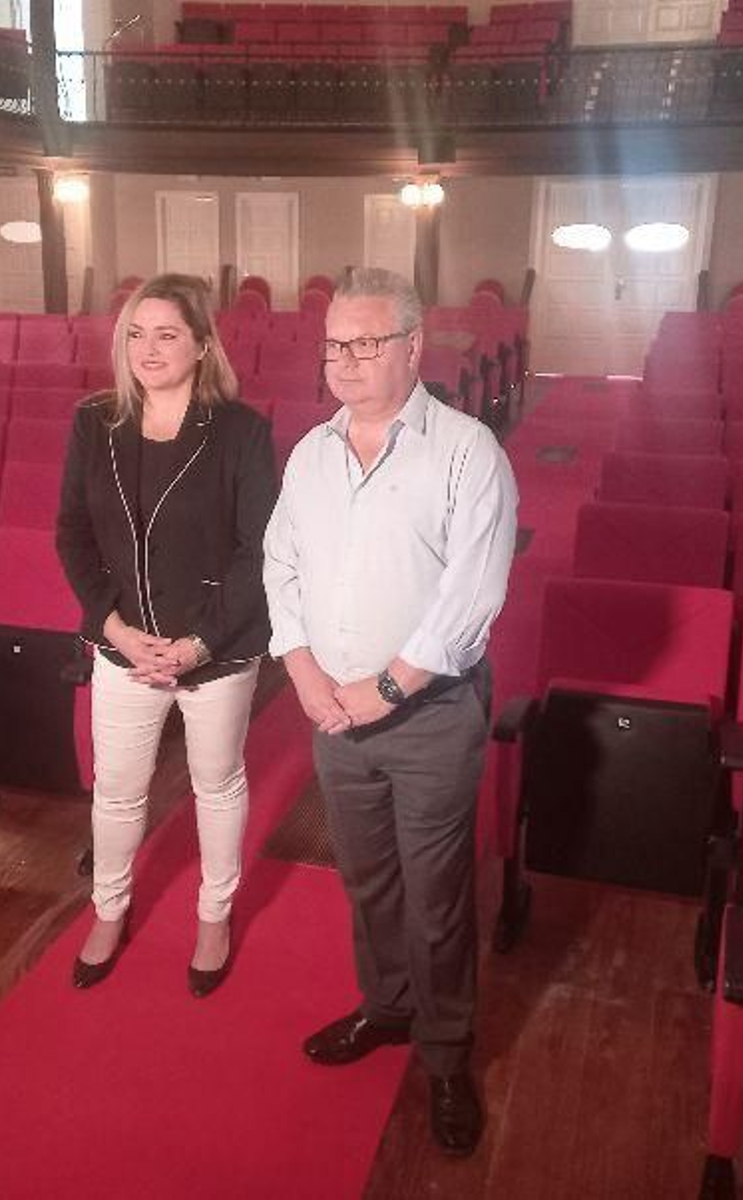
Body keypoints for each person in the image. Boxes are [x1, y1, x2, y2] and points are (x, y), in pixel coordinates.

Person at [263, 268, 518, 1156]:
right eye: (335, 344)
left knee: (437, 894)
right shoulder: (309, 453)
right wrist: (299, 668)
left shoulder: (466, 451)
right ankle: (388, 1008)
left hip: (428, 716)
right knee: (366, 879)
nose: (345, 360)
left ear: (414, 348)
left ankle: (447, 1053)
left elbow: (471, 596)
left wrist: (389, 687)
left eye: (366, 343)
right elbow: (280, 565)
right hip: (333, 711)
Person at [55, 273, 278, 997]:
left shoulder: (242, 431)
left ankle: (214, 915)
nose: (149, 349)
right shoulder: (96, 421)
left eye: (168, 334)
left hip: (213, 652)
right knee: (117, 793)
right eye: (136, 334)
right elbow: (73, 535)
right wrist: (113, 626)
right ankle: (108, 911)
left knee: (216, 786)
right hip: (124, 647)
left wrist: (196, 645)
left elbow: (259, 550)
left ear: (203, 343)